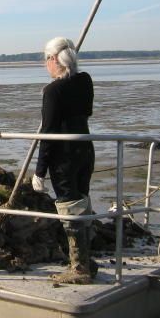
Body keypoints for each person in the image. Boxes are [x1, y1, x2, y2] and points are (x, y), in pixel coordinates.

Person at [32, 37, 95, 284]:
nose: (45, 65)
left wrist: (39, 171)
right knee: (83, 203)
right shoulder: (85, 80)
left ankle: (79, 268)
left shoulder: (52, 91)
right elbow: (87, 111)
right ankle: (86, 262)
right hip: (85, 150)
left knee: (70, 208)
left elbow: (47, 133)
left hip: (64, 158)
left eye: (46, 59)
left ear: (54, 59)